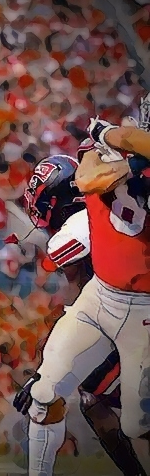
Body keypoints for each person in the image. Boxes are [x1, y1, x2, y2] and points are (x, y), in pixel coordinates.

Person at [12, 144, 149, 474]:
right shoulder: (109, 201)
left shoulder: (75, 229)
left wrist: (45, 366)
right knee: (95, 398)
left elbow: (80, 300)